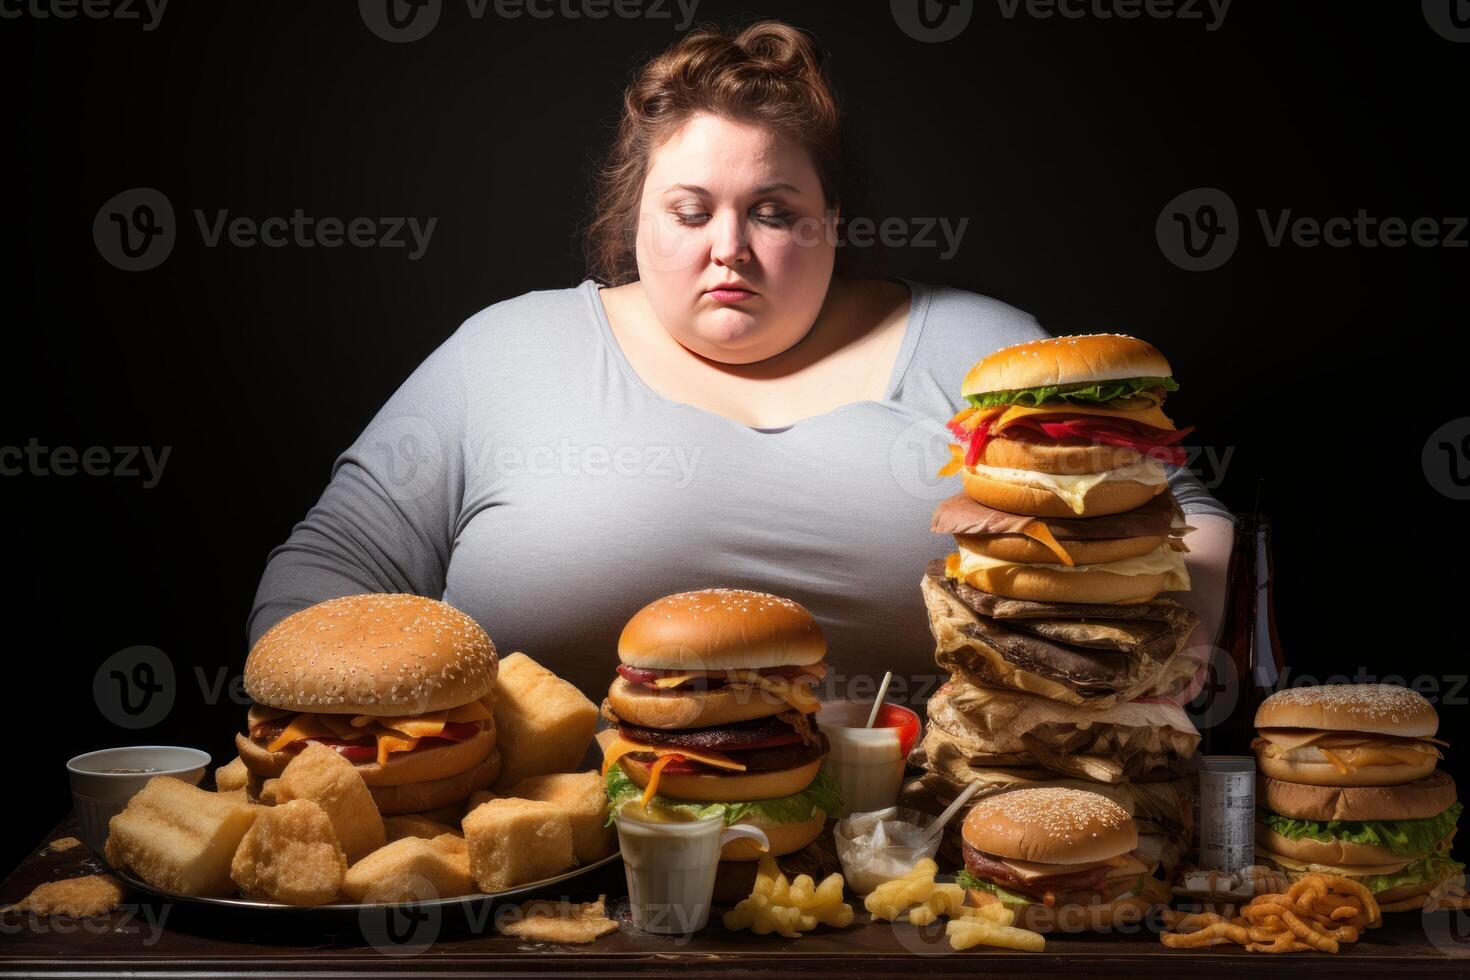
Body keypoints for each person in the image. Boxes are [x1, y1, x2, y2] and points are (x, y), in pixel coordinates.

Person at [248, 21, 1232, 704]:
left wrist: (1171, 648)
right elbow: (326, 569)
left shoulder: (976, 350)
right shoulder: (502, 353)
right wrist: (366, 747)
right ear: (630, 217)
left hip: (919, 874)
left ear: (833, 224)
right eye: (690, 211)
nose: (730, 245)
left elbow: (1178, 520)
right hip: (536, 878)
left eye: (773, 212)